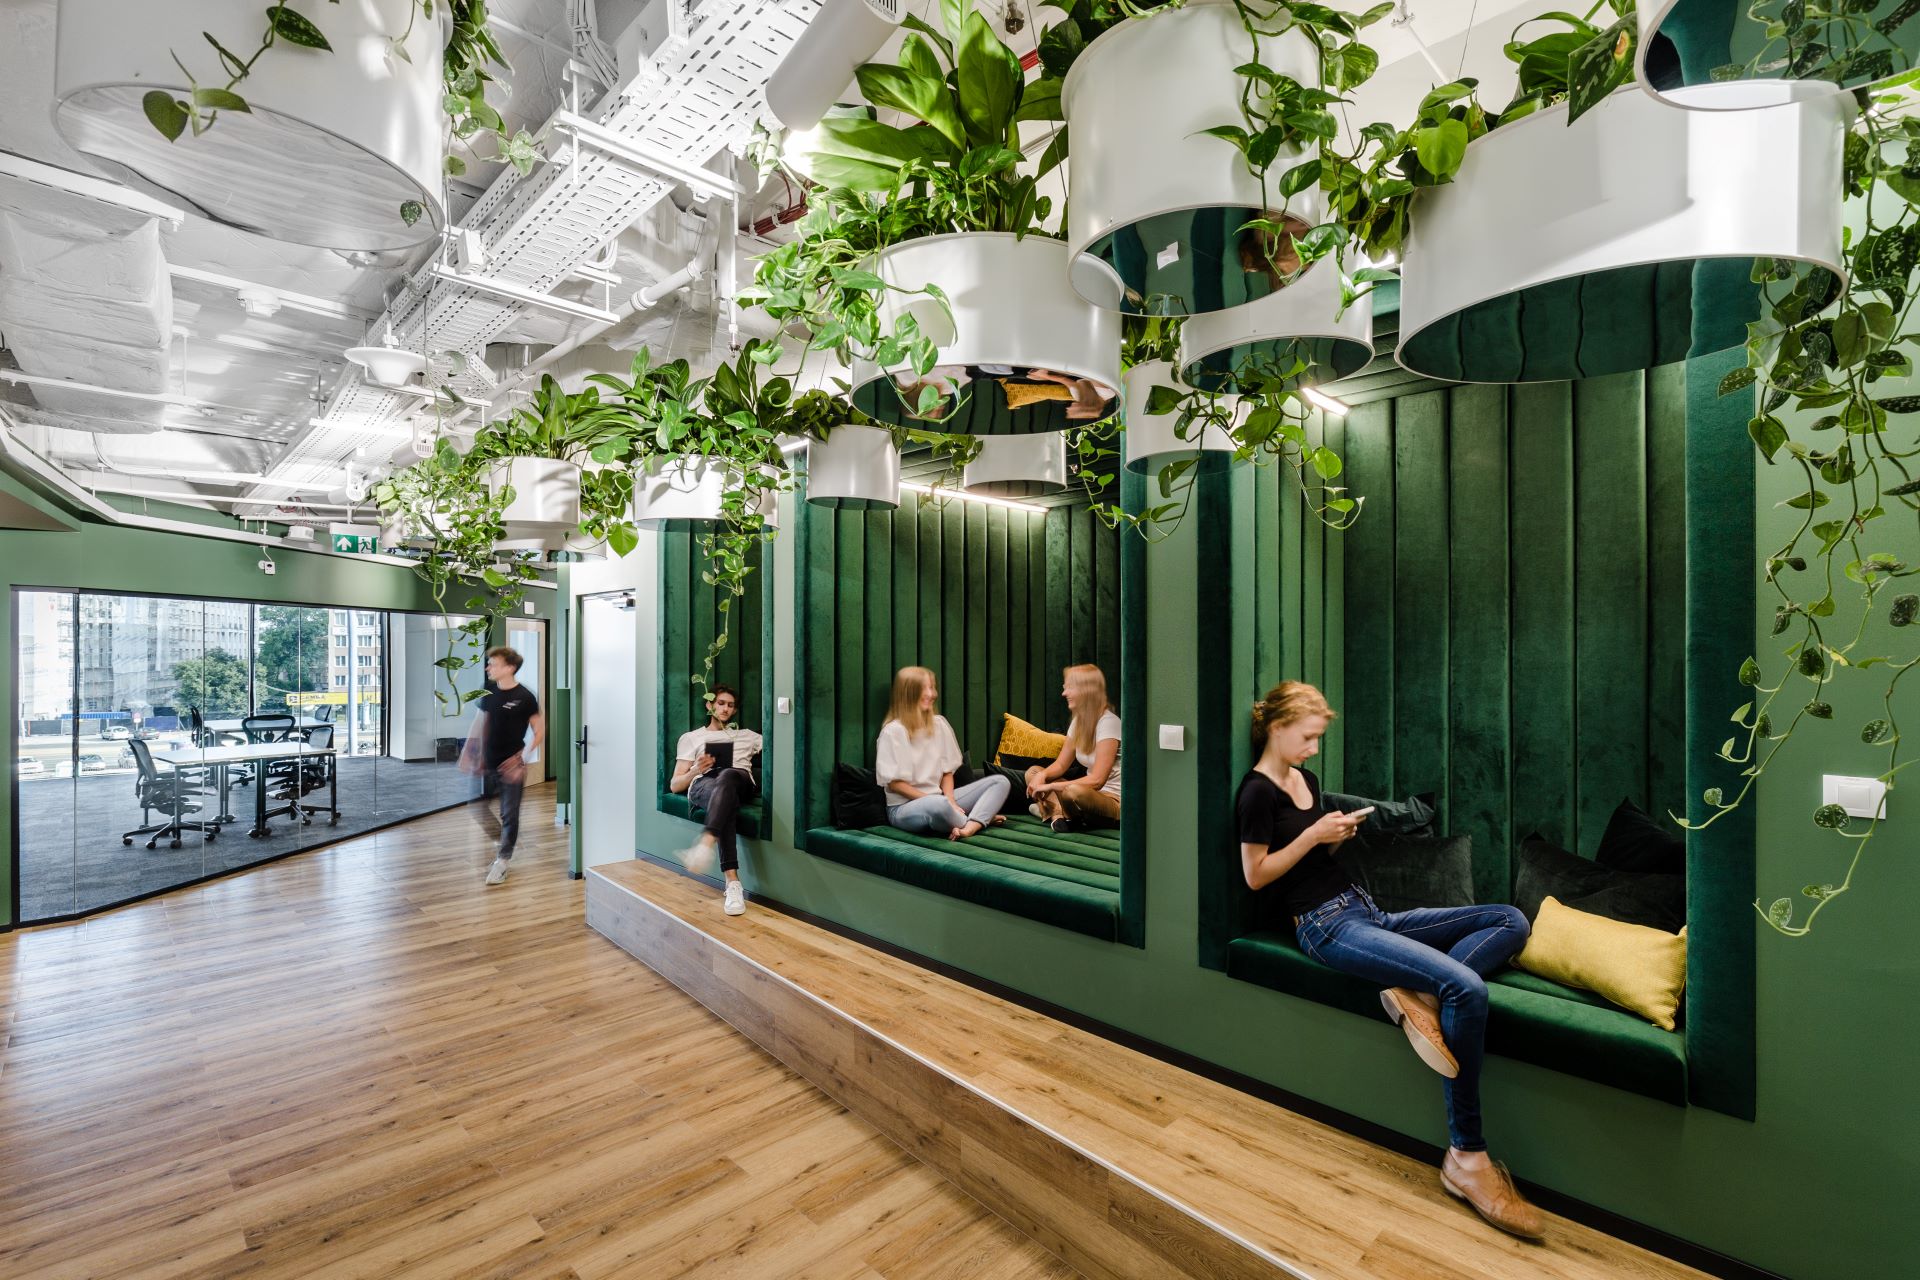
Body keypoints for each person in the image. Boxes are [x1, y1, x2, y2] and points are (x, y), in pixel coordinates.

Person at [1235, 681, 1543, 1241]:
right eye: (1308, 737)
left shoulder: (1307, 780)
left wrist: (1337, 836)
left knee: (1511, 920)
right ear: (1277, 729)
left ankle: (1417, 996)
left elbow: (1315, 857)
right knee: (1466, 989)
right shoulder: (1256, 792)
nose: (1314, 748)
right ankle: (1466, 1157)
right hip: (1324, 927)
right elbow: (1256, 876)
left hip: (1366, 910)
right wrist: (1314, 835)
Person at [876, 666, 1009, 839]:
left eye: (932, 687)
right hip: (903, 808)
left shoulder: (939, 724)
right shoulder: (892, 732)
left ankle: (971, 826)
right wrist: (937, 801)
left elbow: (947, 772)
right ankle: (979, 819)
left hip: (941, 799)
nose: (932, 694)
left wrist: (951, 801)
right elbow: (895, 785)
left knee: (1000, 781)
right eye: (924, 688)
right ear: (909, 693)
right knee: (938, 806)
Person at [670, 684, 764, 916]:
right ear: (709, 705)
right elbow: (675, 785)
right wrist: (696, 770)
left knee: (728, 775)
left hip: (739, 780)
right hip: (704, 784)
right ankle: (733, 884)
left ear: (734, 711)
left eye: (730, 705)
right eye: (720, 703)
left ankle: (705, 845)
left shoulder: (748, 736)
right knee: (724, 799)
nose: (725, 709)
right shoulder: (691, 738)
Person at [464, 646, 543, 887]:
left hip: (512, 766)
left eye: (493, 664)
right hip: (487, 762)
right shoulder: (488, 691)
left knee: (509, 814)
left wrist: (523, 758)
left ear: (509, 668)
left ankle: (503, 861)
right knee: (476, 806)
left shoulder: (525, 697)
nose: (488, 667)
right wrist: (470, 753)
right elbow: (480, 722)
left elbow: (539, 731)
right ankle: (506, 842)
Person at [1025, 663, 1121, 832]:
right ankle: (1058, 816)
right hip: (1085, 797)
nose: (1064, 693)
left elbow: (1097, 780)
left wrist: (1051, 786)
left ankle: (1048, 811)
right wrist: (1042, 775)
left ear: (1086, 690)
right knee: (1033, 772)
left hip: (1112, 800)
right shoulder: (1078, 721)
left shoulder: (1109, 723)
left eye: (1069, 688)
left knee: (1073, 792)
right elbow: (1061, 765)